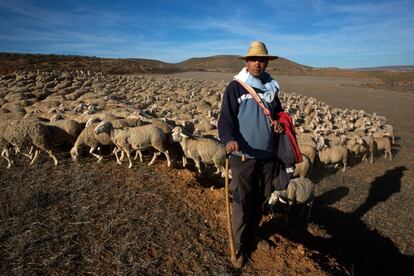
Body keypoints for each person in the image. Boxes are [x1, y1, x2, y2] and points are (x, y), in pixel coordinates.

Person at [218, 41, 284, 268]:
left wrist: (278, 124)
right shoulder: (236, 87)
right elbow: (225, 121)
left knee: (262, 197)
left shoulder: (271, 87)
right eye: (254, 59)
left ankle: (253, 235)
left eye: (262, 59)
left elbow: (278, 114)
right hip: (243, 156)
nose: (258, 63)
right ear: (247, 61)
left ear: (266, 62)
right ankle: (238, 247)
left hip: (267, 155)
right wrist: (229, 140)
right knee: (241, 201)